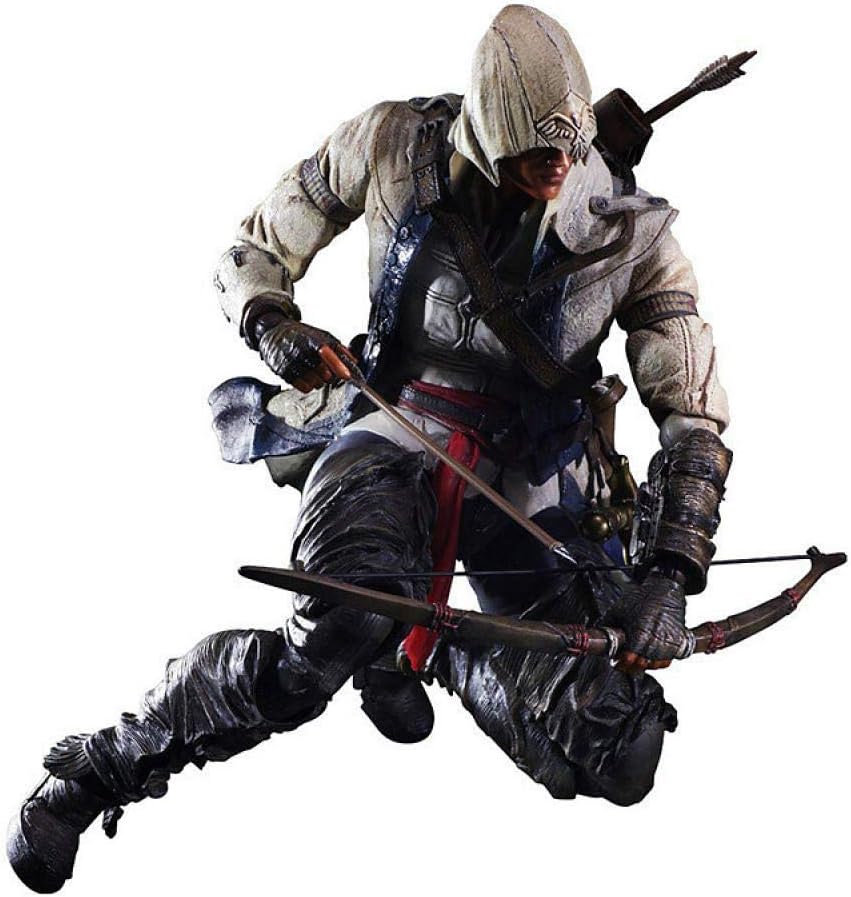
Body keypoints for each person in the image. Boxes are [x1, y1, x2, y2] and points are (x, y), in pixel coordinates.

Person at [8, 5, 732, 893]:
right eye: (532, 152)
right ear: (488, 130)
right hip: (394, 427)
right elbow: (256, 246)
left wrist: (669, 571)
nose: (555, 170)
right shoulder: (390, 143)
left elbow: (692, 411)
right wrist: (272, 324)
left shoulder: (631, 231)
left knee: (617, 750)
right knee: (333, 629)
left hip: (536, 475)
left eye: (567, 150)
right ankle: (98, 769)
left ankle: (436, 647)